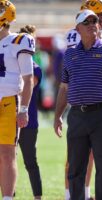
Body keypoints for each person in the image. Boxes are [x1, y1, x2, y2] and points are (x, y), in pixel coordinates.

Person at [54, 9, 102, 200]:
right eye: (87, 22)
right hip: (77, 115)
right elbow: (63, 88)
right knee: (75, 167)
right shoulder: (70, 54)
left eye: (95, 21)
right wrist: (57, 116)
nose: (93, 25)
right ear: (78, 28)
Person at [64, 1, 102, 199]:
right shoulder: (75, 37)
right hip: (81, 102)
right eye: (100, 15)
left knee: (100, 158)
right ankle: (72, 195)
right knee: (76, 158)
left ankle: (86, 193)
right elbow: (75, 69)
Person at [0, 1, 35, 200]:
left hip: (9, 101)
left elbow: (28, 78)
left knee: (7, 153)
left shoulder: (19, 41)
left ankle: (7, 198)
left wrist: (24, 108)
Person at [18, 25, 42, 200]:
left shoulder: (35, 68)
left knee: (30, 161)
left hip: (28, 120)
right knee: (5, 159)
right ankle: (9, 194)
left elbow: (26, 87)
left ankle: (37, 197)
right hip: (8, 116)